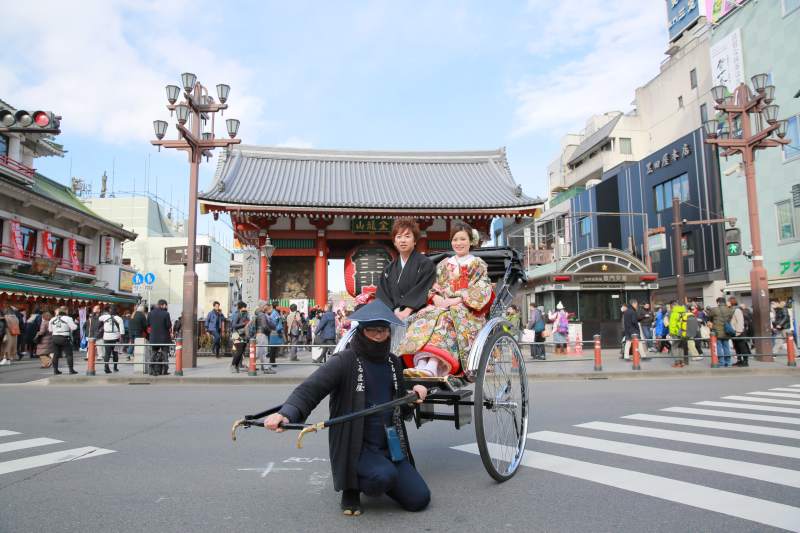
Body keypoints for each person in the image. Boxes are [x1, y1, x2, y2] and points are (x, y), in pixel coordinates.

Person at [264, 300, 430, 516]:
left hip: (390, 447)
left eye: (383, 330)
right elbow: (310, 390)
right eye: (372, 330)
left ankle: (377, 476)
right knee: (383, 476)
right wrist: (286, 414)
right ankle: (351, 487)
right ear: (361, 331)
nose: (379, 336)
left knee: (419, 499)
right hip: (357, 447)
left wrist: (413, 396)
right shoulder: (344, 361)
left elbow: (401, 408)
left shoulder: (393, 362)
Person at [399, 221, 492, 377]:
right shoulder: (443, 264)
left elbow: (482, 288)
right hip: (442, 305)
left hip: (467, 311)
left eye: (463, 239)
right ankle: (421, 362)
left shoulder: (478, 264)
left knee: (445, 319)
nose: (458, 243)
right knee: (423, 316)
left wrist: (458, 300)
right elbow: (432, 286)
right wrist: (434, 297)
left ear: (471, 241)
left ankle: (433, 365)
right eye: (455, 239)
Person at [376, 218, 437, 321]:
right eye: (399, 237)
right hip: (394, 315)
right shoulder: (388, 269)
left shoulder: (425, 264)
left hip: (418, 314)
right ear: (395, 242)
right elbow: (382, 294)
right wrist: (394, 311)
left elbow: (423, 289)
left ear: (414, 241)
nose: (403, 240)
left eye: (407, 236)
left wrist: (407, 310)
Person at [48, 306, 78, 375]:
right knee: (69, 354)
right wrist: (75, 324)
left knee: (56, 355)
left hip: (55, 337)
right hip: (64, 337)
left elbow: (50, 330)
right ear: (66, 311)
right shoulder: (68, 318)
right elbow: (74, 327)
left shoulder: (52, 319)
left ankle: (55, 370)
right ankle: (71, 370)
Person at [147, 300, 172, 376]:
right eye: (166, 305)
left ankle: (151, 369)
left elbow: (148, 324)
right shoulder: (166, 314)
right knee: (165, 354)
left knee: (153, 353)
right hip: (164, 337)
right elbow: (169, 325)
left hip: (154, 337)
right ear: (162, 305)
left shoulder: (150, 313)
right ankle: (165, 370)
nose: (166, 307)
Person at [98, 305, 125, 373]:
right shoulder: (119, 318)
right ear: (116, 311)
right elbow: (122, 330)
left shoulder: (104, 317)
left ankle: (106, 367)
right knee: (115, 353)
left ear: (109, 311)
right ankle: (115, 367)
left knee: (107, 353)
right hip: (115, 338)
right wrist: (121, 338)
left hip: (106, 337)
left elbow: (99, 318)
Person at [708, 297, 734, 367]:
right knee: (726, 346)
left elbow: (709, 316)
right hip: (726, 331)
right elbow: (730, 318)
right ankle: (728, 362)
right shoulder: (729, 310)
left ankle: (721, 361)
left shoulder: (714, 309)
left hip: (717, 331)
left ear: (718, 302)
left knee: (719, 347)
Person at [730, 298, 752, 367]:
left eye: (728, 301)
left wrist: (738, 331)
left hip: (739, 332)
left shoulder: (737, 310)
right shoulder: (734, 309)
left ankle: (745, 361)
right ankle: (739, 360)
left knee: (742, 347)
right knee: (737, 347)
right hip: (735, 331)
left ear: (731, 302)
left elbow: (740, 321)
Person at [230, 301, 250, 373]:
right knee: (239, 351)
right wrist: (243, 323)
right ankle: (233, 365)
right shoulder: (237, 314)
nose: (245, 308)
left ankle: (236, 366)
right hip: (236, 334)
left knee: (241, 351)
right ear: (241, 307)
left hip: (242, 334)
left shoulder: (243, 314)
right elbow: (234, 325)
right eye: (244, 307)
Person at [255, 303, 276, 374]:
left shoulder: (259, 314)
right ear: (263, 307)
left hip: (259, 334)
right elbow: (264, 326)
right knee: (262, 352)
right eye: (266, 306)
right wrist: (269, 331)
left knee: (261, 352)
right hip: (262, 334)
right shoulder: (262, 315)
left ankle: (264, 367)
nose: (268, 308)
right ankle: (264, 368)